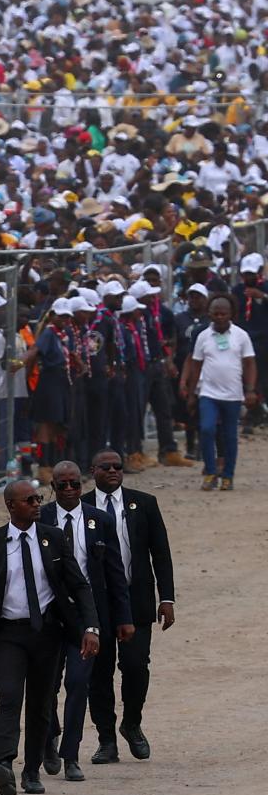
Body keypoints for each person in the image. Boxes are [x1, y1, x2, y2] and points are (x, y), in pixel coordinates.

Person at [0, 480, 100, 795]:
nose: (37, 504)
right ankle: (3, 763)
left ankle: (32, 770)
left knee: (40, 703)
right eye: (29, 500)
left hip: (47, 632)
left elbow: (79, 585)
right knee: (9, 696)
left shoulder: (54, 538)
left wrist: (91, 627)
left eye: (38, 498)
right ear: (11, 505)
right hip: (8, 634)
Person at [39, 462, 132, 783]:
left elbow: (115, 572)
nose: (69, 490)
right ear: (53, 487)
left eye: (75, 484)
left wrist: (123, 617)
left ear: (83, 485)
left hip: (87, 615)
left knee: (78, 683)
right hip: (50, 614)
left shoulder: (100, 520)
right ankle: (48, 737)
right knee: (46, 685)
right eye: (62, 485)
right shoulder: (40, 517)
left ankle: (70, 754)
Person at [85, 451, 175, 763]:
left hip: (135, 599)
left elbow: (160, 552)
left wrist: (167, 598)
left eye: (118, 467)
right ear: (93, 470)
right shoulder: (81, 506)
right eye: (106, 467)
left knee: (136, 665)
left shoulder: (144, 503)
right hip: (97, 602)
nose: (113, 471)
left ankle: (132, 723)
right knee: (99, 671)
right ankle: (106, 739)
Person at [180, 295, 257, 490]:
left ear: (231, 314)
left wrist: (250, 390)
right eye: (216, 314)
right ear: (210, 314)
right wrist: (192, 394)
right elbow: (196, 365)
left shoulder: (241, 335)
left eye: (224, 313)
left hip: (233, 395)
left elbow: (250, 363)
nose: (220, 317)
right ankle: (211, 472)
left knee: (230, 436)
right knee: (207, 429)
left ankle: (228, 476)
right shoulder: (203, 336)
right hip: (208, 394)